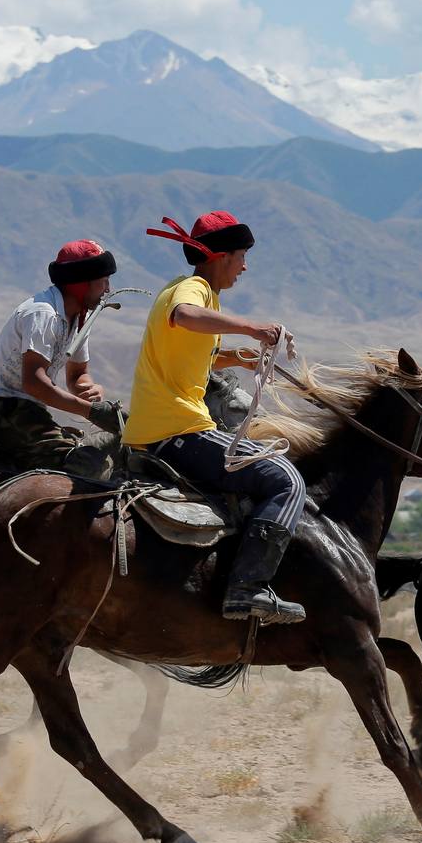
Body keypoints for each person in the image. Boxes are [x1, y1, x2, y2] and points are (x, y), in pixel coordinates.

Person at [125, 211, 308, 624]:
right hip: (177, 428)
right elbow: (184, 316)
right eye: (241, 256)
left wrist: (240, 357)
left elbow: (198, 353)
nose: (245, 267)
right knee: (286, 480)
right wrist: (252, 327)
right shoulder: (193, 290)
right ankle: (247, 588)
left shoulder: (199, 293)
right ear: (221, 256)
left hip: (162, 426)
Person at [0, 239, 123, 475]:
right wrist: (90, 411)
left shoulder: (80, 318)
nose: (108, 289)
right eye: (103, 281)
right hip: (3, 410)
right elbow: (34, 382)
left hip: (30, 412)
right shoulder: (43, 314)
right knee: (87, 465)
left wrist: (89, 390)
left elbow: (78, 374)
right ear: (81, 284)